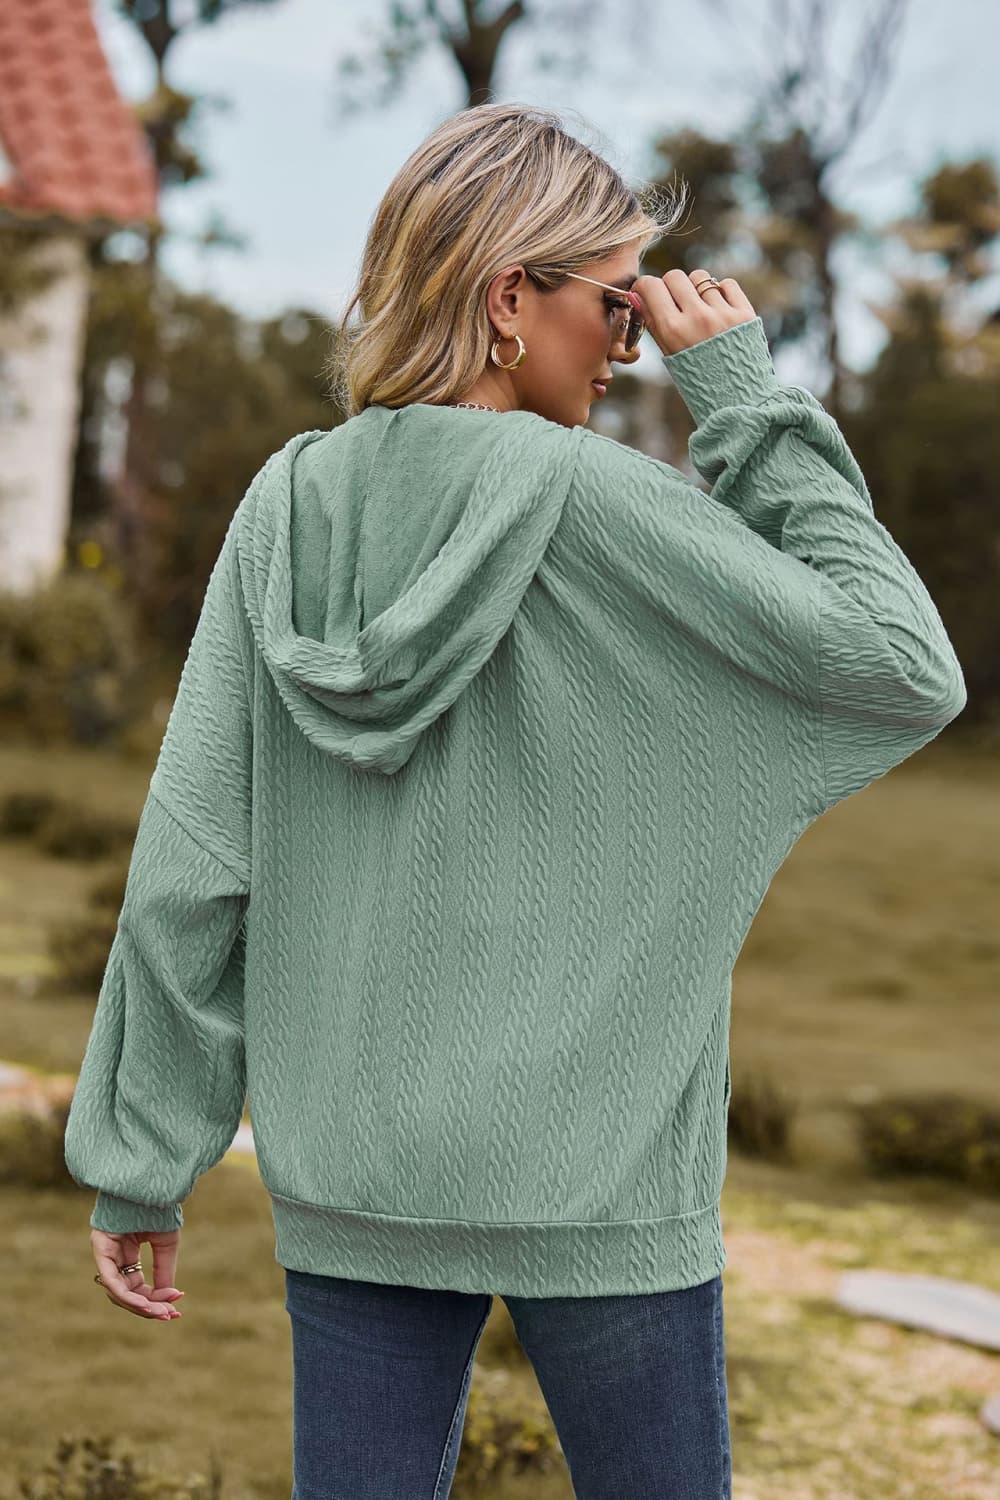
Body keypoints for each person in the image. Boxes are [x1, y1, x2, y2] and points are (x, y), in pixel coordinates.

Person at [64, 102, 967, 1500]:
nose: (628, 350)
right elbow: (904, 664)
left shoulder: (286, 507)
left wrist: (142, 1161)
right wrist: (741, 398)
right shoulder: (604, 506)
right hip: (600, 1171)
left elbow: (195, 858)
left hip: (358, 1170)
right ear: (505, 299)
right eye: (618, 308)